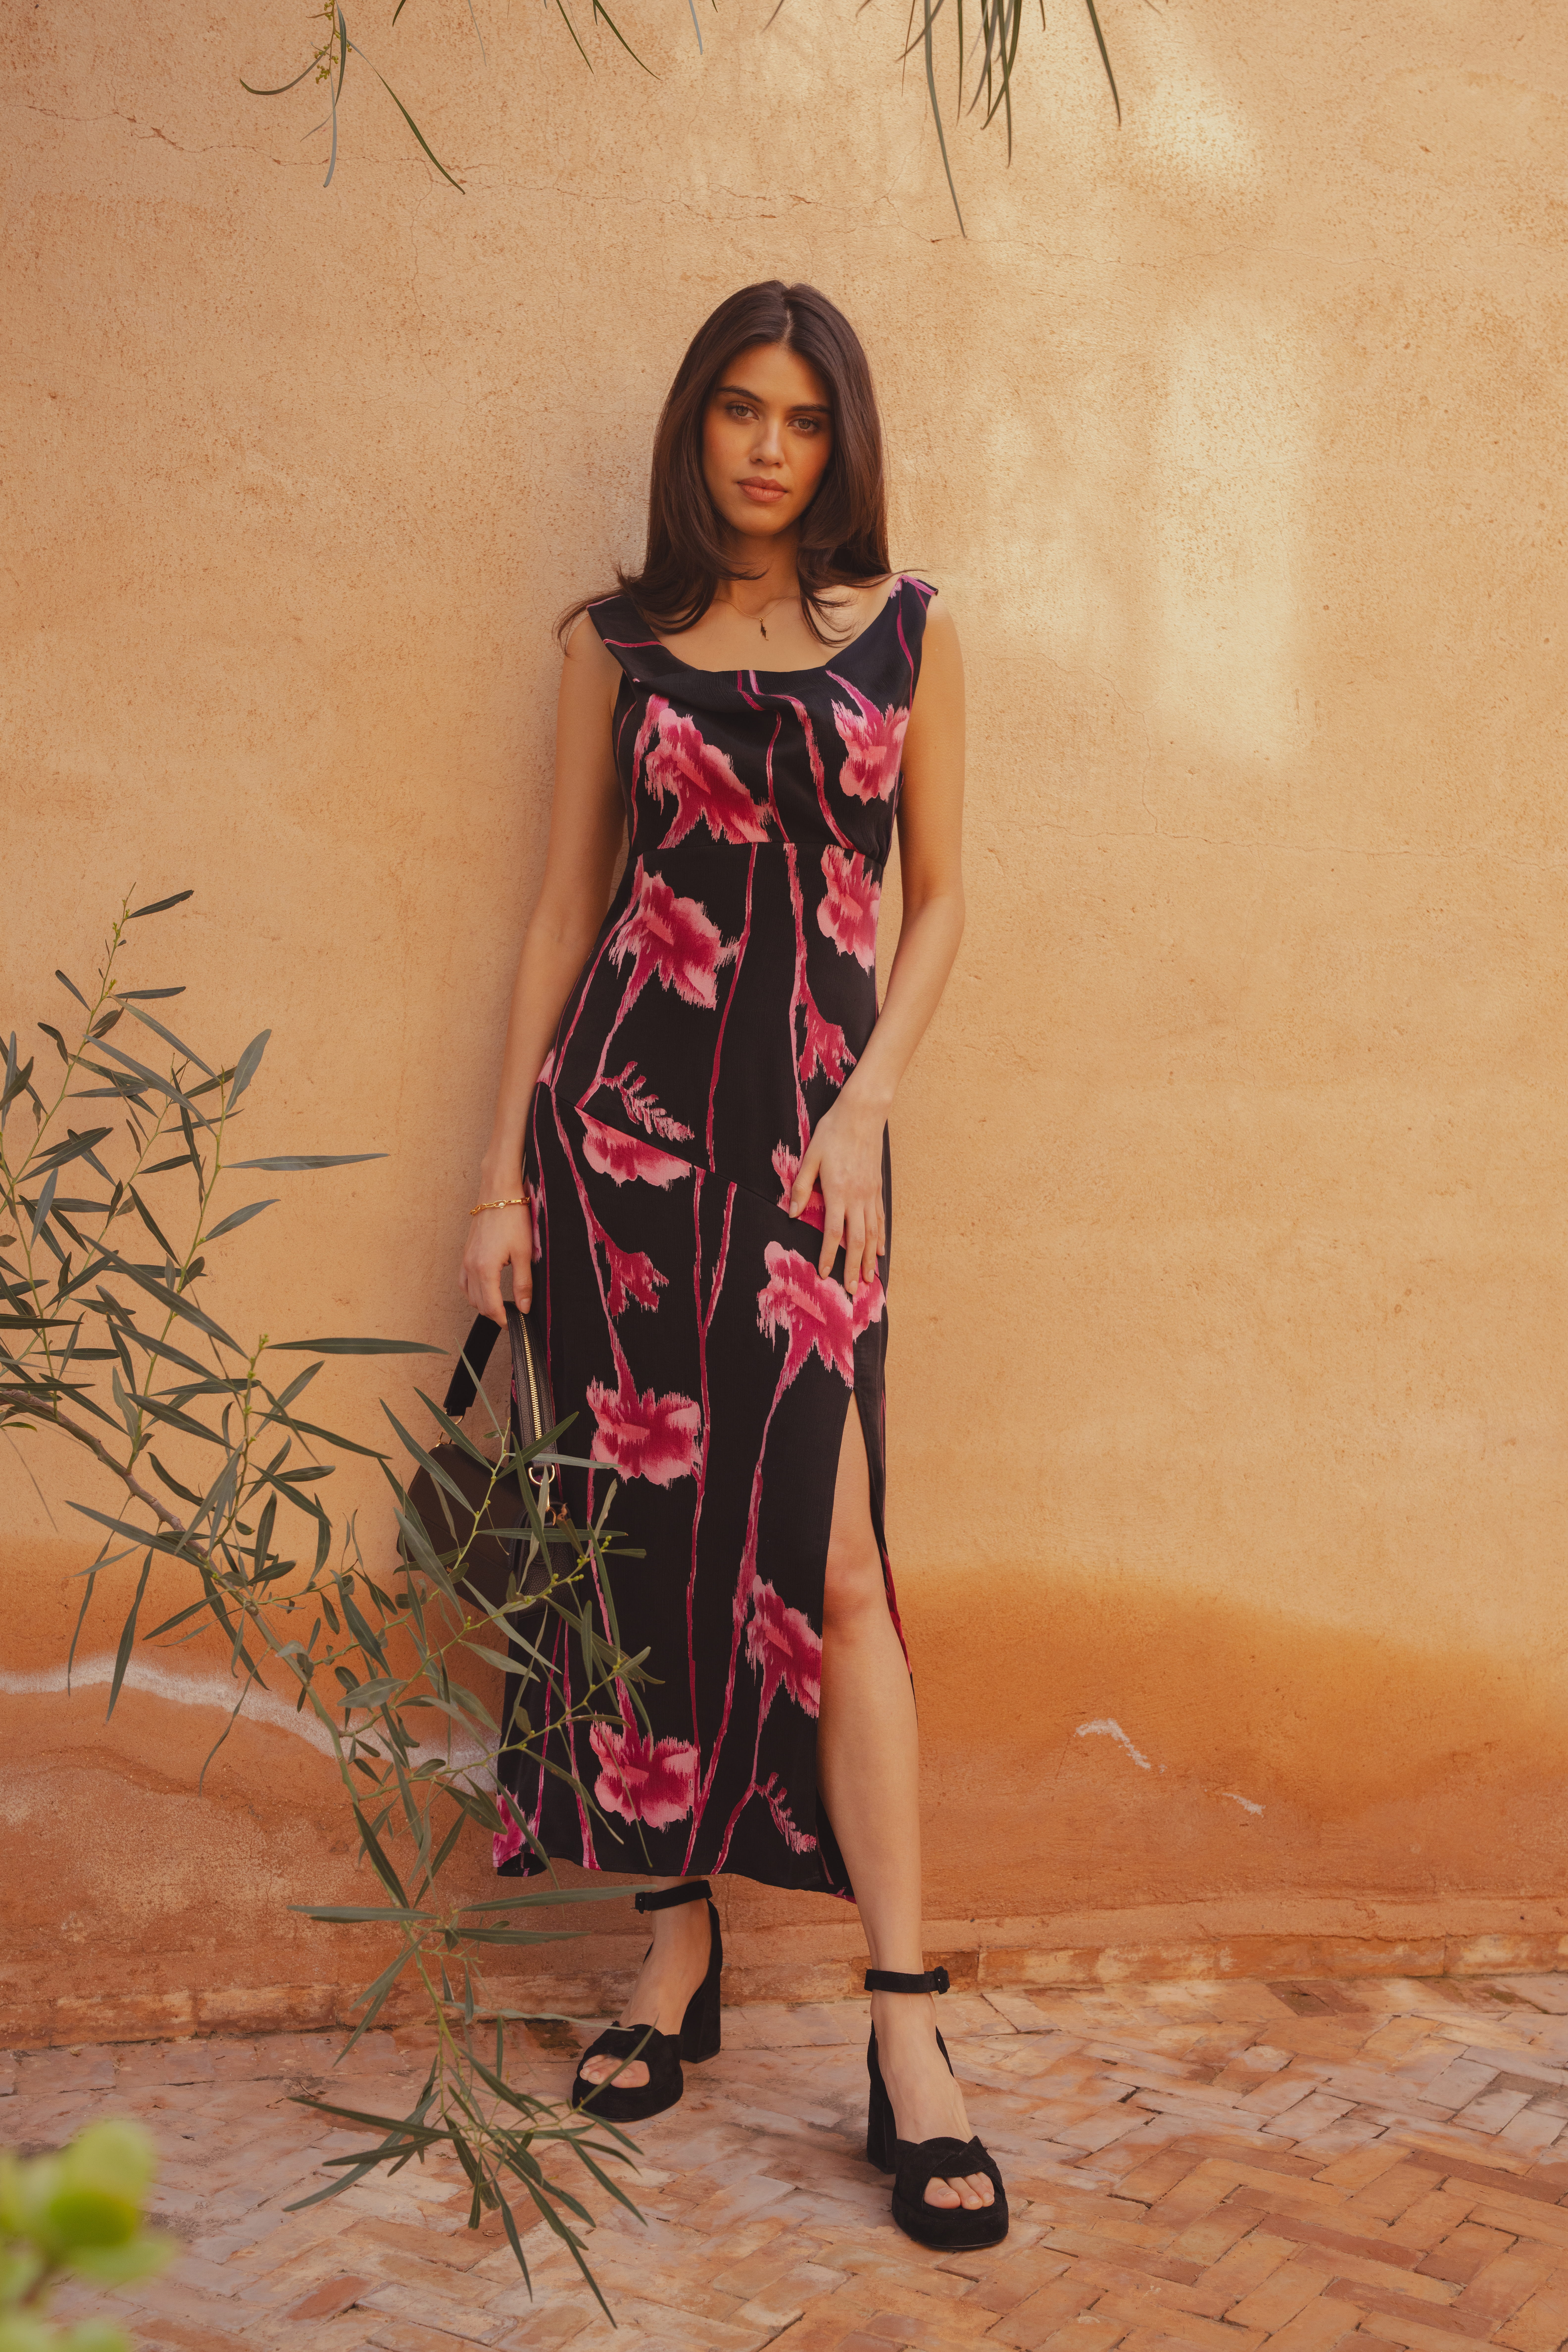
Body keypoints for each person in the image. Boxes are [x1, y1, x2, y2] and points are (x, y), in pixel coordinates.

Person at [459, 280, 1004, 2249]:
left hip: (807, 1159)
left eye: (801, 419)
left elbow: (941, 903)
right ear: (695, 431)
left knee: (834, 1556)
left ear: (843, 440)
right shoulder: (616, 645)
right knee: (631, 1554)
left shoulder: (913, 632)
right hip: (618, 1135)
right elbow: (560, 909)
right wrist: (498, 1177)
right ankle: (669, 1952)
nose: (768, 449)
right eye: (736, 415)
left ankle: (903, 2021)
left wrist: (864, 1106)